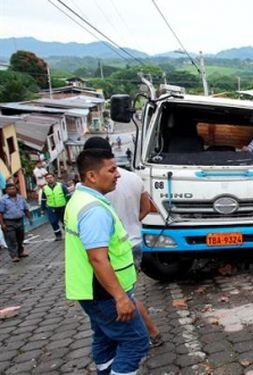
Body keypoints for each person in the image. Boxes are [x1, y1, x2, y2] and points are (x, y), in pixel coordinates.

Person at [64, 148, 149, 374]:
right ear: (91, 175)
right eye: (111, 170)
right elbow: (98, 259)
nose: (118, 175)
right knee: (136, 342)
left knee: (104, 339)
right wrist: (120, 297)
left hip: (92, 292)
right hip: (106, 294)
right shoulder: (94, 210)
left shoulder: (79, 199)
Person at [83, 136, 163, 347]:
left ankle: (150, 333)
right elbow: (146, 209)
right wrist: (130, 224)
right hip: (134, 242)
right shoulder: (133, 178)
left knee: (121, 297)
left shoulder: (93, 187)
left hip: (108, 251)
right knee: (125, 294)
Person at [0, 183, 32, 262]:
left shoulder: (20, 198)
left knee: (20, 237)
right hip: (8, 222)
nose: (12, 190)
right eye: (10, 189)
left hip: (20, 220)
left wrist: (29, 218)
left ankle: (20, 252)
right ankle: (14, 255)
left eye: (13, 188)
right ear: (6, 191)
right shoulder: (3, 200)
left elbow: (26, 209)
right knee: (11, 238)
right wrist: (2, 224)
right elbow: (0, 213)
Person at [41, 173, 71, 241]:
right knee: (53, 222)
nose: (49, 179)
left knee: (65, 222)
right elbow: (43, 199)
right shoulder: (45, 188)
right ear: (46, 180)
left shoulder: (61, 186)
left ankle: (69, 233)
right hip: (51, 208)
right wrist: (42, 209)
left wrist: (69, 206)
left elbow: (68, 196)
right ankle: (58, 235)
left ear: (54, 178)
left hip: (63, 208)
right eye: (47, 178)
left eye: (51, 177)